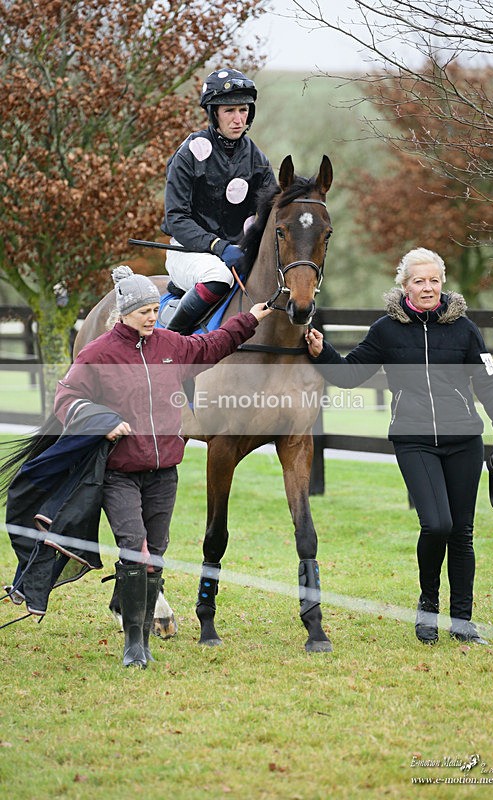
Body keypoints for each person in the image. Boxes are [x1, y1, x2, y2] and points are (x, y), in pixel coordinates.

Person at [54, 266, 272, 668]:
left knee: (156, 551)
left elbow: (212, 345)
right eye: (144, 312)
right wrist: (102, 422)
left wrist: (249, 320)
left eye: (156, 310)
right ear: (124, 313)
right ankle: (134, 643)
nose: (153, 317)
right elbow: (67, 399)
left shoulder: (170, 344)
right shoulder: (98, 354)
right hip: (120, 472)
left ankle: (138, 622)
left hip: (163, 471)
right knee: (134, 549)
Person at [306, 247, 493, 645]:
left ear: (443, 283)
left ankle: (461, 621)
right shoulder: (387, 329)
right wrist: (324, 353)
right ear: (405, 286)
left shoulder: (464, 329)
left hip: (464, 440)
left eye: (434, 280)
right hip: (413, 439)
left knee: (462, 533)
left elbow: (490, 383)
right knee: (436, 524)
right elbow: (351, 375)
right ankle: (427, 606)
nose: (428, 287)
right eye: (419, 281)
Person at [161, 67, 277, 334]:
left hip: (237, 253)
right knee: (218, 277)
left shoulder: (257, 160)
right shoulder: (189, 153)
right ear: (214, 114)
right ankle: (169, 345)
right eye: (229, 111)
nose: (238, 119)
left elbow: (272, 213)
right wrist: (218, 245)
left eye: (243, 110)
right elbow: (176, 218)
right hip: (188, 252)